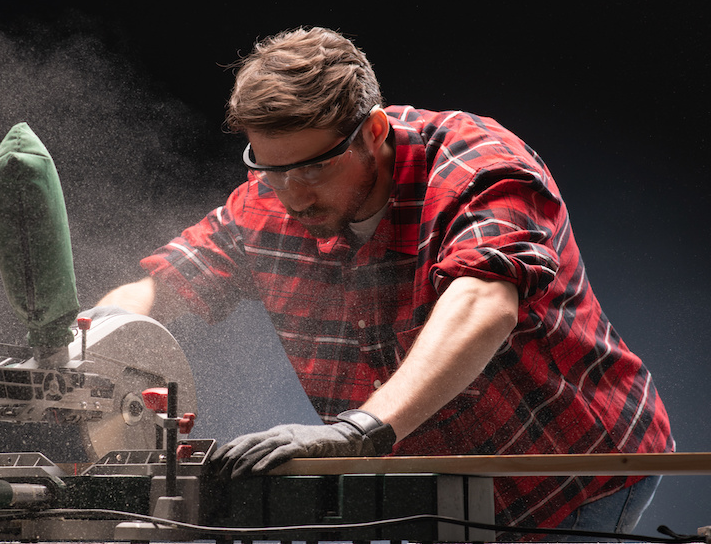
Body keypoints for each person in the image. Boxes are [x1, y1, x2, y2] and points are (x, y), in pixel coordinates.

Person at [95, 27, 673, 539]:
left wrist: (359, 430)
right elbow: (157, 286)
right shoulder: (262, 208)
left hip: (572, 473)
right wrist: (93, 352)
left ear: (373, 132)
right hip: (431, 486)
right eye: (271, 169)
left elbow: (484, 302)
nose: (293, 195)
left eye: (314, 167)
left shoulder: (478, 165)